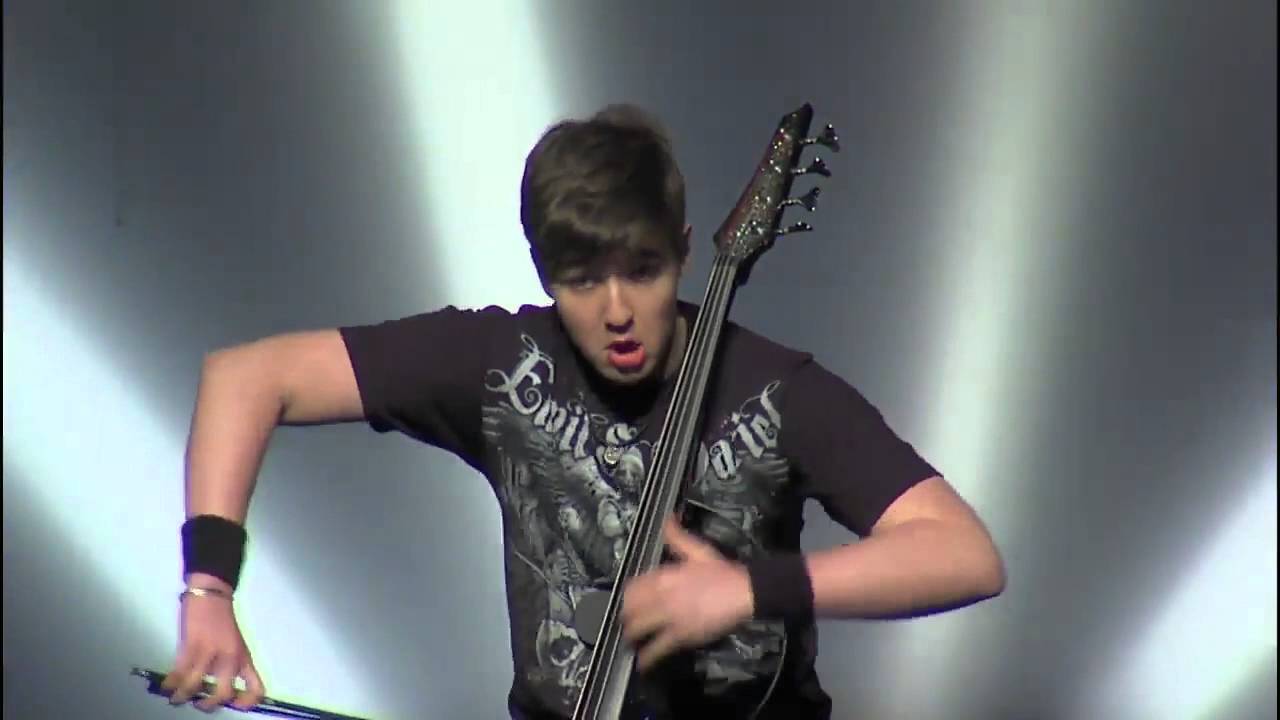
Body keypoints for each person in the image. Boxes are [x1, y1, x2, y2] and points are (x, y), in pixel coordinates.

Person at [163, 104, 1006, 718]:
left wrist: (752, 589)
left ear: (684, 250)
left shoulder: (777, 390)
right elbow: (247, 377)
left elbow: (963, 554)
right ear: (542, 272)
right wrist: (207, 588)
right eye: (581, 280)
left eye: (642, 271)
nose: (616, 311)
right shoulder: (499, 364)